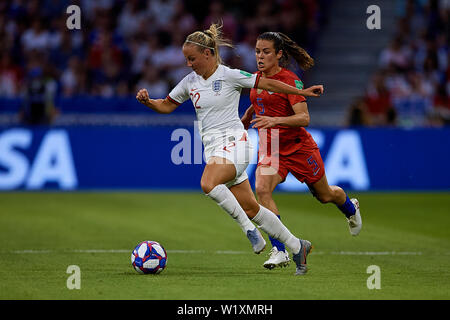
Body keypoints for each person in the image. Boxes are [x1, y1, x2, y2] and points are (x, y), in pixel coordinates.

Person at [136, 23, 323, 275]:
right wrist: (149, 102)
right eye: (186, 60)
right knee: (252, 207)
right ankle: (296, 245)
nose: (189, 64)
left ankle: (249, 230)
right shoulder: (189, 82)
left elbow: (269, 84)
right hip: (215, 150)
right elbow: (167, 105)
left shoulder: (229, 75)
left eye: (192, 59)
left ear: (208, 54)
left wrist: (304, 92)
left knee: (208, 183)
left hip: (237, 143)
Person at [241, 32, 362, 270]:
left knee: (325, 195)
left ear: (279, 54)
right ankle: (280, 249)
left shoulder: (290, 81)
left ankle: (350, 206)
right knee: (262, 189)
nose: (260, 56)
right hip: (272, 149)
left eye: (266, 52)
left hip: (298, 147)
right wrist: (248, 116)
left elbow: (304, 118)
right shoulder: (255, 79)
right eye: (257, 51)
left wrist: (274, 121)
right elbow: (260, 103)